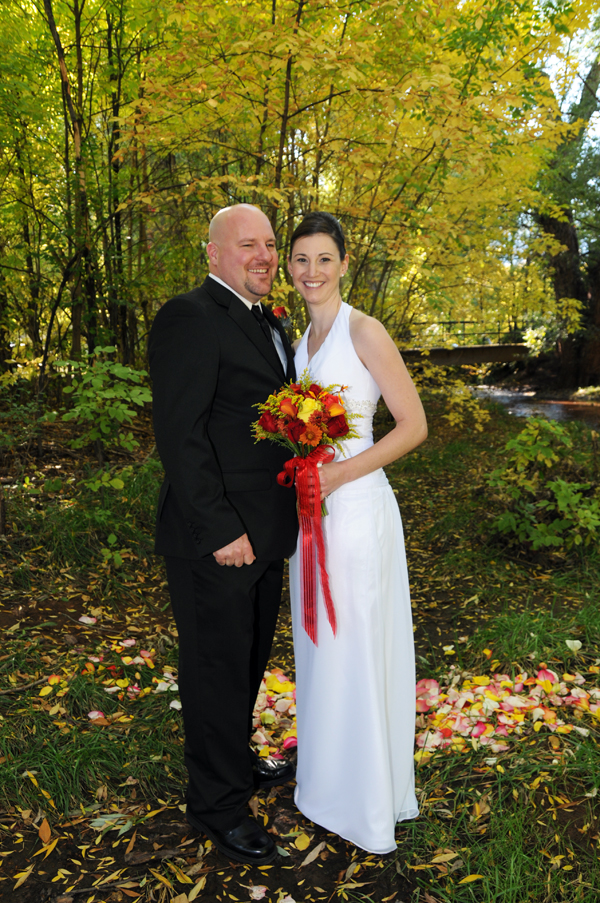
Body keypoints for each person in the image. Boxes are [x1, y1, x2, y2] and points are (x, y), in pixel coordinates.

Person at [148, 204, 298, 865]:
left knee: (244, 662)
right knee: (215, 669)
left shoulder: (267, 322)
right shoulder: (190, 317)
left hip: (267, 532)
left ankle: (234, 763)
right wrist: (220, 529)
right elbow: (180, 437)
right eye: (247, 245)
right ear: (213, 254)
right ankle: (217, 805)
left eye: (269, 244)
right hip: (219, 537)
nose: (263, 255)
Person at [287, 211, 427, 854]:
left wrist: (340, 476)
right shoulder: (297, 344)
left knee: (358, 646)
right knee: (322, 647)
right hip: (311, 517)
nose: (312, 272)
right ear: (289, 269)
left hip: (358, 510)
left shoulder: (364, 331)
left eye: (323, 259)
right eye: (301, 260)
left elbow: (412, 425)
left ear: (344, 264)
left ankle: (368, 802)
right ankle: (326, 787)